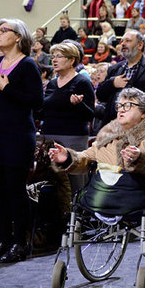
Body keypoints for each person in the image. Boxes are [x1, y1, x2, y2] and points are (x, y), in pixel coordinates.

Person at [0, 19, 43, 263]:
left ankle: (19, 243)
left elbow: (36, 101)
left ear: (18, 37)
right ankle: (3, 241)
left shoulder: (27, 65)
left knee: (15, 192)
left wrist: (6, 88)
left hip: (17, 136)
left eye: (3, 31)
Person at [49, 88, 145, 200]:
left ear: (144, 112)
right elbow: (86, 158)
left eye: (128, 105)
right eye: (120, 105)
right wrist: (68, 157)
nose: (121, 109)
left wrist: (141, 159)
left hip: (136, 198)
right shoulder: (108, 134)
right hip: (101, 197)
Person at [39, 41, 95, 193]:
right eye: (53, 56)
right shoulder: (51, 83)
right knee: (51, 181)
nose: (54, 60)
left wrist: (78, 104)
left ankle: (74, 215)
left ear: (71, 60)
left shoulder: (82, 82)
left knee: (74, 181)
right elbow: (43, 110)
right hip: (50, 136)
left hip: (73, 138)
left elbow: (90, 115)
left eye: (59, 56)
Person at [97, 30, 145, 124]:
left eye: (128, 41)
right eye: (122, 41)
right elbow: (100, 95)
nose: (123, 44)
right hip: (114, 129)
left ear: (140, 45)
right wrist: (112, 83)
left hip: (141, 128)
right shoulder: (114, 69)